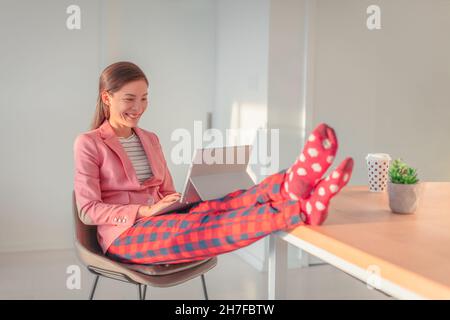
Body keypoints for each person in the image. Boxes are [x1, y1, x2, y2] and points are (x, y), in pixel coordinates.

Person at [73, 61, 354, 265]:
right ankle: (300, 209)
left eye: (144, 98)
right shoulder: (89, 143)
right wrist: (145, 210)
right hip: (124, 235)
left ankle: (290, 184)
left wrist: (176, 201)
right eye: (130, 99)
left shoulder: (150, 138)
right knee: (203, 227)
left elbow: (167, 190)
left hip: (161, 217)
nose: (139, 108)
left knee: (225, 202)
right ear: (107, 98)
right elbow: (88, 211)